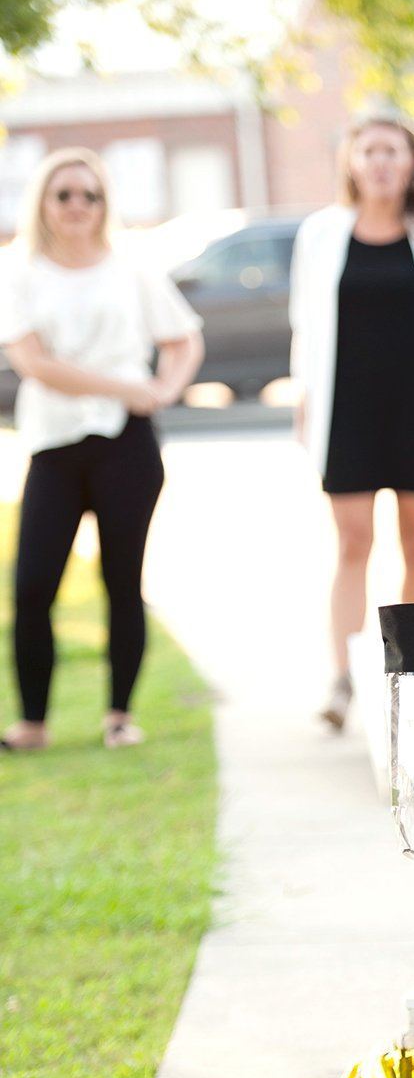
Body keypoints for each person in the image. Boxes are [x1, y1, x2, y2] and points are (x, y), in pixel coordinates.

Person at [0, 147, 204, 751]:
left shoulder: (130, 268)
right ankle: (32, 722)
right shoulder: (20, 270)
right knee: (33, 585)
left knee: (123, 579)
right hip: (55, 444)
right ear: (43, 201)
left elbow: (184, 338)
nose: (77, 206)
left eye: (89, 195)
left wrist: (164, 388)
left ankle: (119, 715)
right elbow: (34, 363)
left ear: (103, 204)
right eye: (63, 194)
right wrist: (129, 387)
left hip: (126, 448)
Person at [288, 113, 414, 732]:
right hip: (348, 410)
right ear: (352, 161)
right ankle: (342, 679)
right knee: (352, 541)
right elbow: (305, 324)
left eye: (394, 151)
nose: (382, 162)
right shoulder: (321, 234)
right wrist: (305, 401)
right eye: (370, 150)